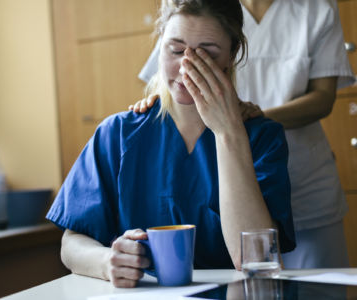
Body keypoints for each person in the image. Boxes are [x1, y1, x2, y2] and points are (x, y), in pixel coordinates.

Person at [46, 0, 295, 288]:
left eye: (207, 54)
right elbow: (71, 243)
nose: (186, 66)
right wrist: (107, 261)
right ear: (160, 45)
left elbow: (255, 259)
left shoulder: (261, 138)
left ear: (232, 54)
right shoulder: (117, 133)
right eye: (175, 50)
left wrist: (228, 134)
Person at [132, 0, 356, 269]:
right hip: (228, 179)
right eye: (179, 49)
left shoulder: (317, 9)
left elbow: (323, 98)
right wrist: (166, 100)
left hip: (304, 182)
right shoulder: (207, 6)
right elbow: (169, 69)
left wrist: (242, 120)